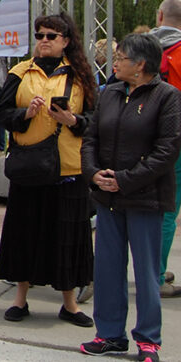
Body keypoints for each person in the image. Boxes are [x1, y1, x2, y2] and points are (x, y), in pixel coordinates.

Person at [79, 33, 181, 362]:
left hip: (145, 198)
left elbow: (166, 151)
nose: (115, 61)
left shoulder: (167, 98)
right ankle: (109, 334)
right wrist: (93, 172)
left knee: (147, 272)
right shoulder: (109, 93)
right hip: (107, 197)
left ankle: (148, 340)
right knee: (108, 268)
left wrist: (124, 180)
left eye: (121, 56)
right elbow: (90, 137)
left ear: (140, 65)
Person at [0, 13, 97, 328]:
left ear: (66, 40)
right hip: (30, 167)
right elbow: (1, 114)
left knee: (68, 237)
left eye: (51, 36)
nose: (44, 41)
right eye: (40, 35)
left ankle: (70, 304)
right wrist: (27, 113)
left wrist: (74, 121)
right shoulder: (20, 72)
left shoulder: (80, 76)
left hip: (68, 168)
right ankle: (20, 299)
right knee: (25, 233)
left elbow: (96, 121)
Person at [150, 0, 181, 298]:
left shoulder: (139, 48)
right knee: (168, 209)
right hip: (174, 143)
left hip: (137, 139)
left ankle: (151, 268)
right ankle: (155, 274)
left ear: (160, 16)